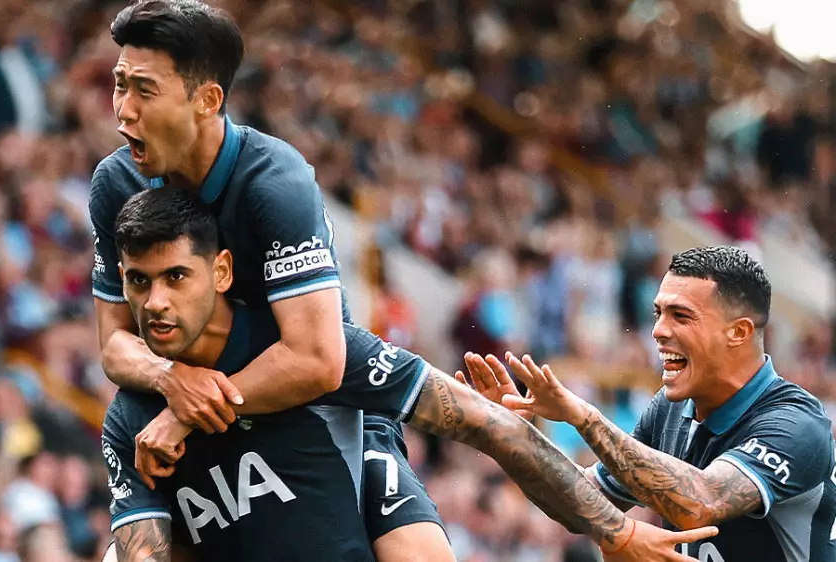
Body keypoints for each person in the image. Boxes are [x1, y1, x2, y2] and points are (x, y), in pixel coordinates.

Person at [101, 187, 717, 561]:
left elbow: (492, 426)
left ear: (222, 271)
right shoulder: (129, 419)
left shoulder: (320, 351)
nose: (155, 303)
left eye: (176, 277)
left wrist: (617, 533)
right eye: (138, 282)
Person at [86, 1, 447, 558]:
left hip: (320, 404)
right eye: (119, 85)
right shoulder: (117, 184)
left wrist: (186, 409)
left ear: (207, 100)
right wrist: (171, 381)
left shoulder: (274, 182)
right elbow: (113, 342)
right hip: (200, 421)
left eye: (144, 90)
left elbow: (317, 361)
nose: (122, 111)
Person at [463, 245, 836, 561]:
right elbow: (584, 501)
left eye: (681, 316)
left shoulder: (796, 425)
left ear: (738, 332)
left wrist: (585, 418)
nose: (658, 330)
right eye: (658, 313)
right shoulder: (671, 409)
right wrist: (509, 435)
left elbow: (702, 501)